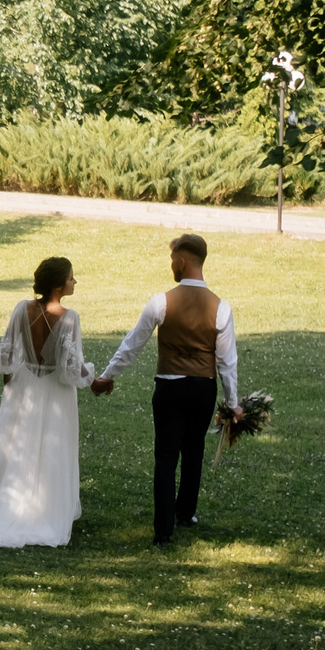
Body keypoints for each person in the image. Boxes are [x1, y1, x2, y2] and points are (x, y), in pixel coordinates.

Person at [90, 232, 239, 547]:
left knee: (166, 455)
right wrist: (232, 403)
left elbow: (133, 344)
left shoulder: (161, 302)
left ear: (182, 261)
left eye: (173, 259)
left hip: (169, 387)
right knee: (194, 450)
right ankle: (185, 513)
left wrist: (107, 375)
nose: (171, 265)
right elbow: (227, 362)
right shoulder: (221, 307)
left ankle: (163, 530)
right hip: (203, 387)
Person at [0, 255, 97, 548]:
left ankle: (4, 508)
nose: (75, 281)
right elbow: (71, 369)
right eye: (71, 278)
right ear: (58, 286)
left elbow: (7, 357)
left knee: (14, 447)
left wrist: (10, 391)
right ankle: (42, 513)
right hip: (56, 391)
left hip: (23, 387)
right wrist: (95, 379)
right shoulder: (69, 318)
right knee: (52, 448)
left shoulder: (22, 309)